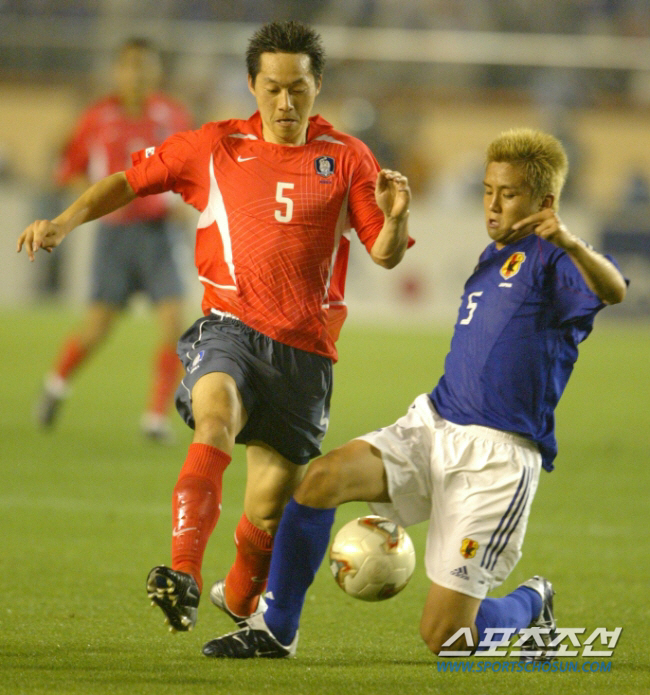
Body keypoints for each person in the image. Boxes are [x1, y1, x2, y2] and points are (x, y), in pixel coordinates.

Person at [17, 21, 412, 633]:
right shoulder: (216, 146)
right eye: (273, 88)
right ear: (253, 85)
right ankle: (183, 573)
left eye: (298, 89)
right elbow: (130, 180)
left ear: (317, 87)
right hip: (228, 328)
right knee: (215, 415)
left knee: (265, 510)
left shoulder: (348, 158)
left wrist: (393, 218)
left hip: (305, 352)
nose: (286, 102)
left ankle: (238, 593)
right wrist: (64, 223)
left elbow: (384, 252)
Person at [200, 127, 627, 659]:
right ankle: (275, 628)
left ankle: (529, 604)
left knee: (448, 637)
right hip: (434, 424)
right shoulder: (493, 255)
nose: (492, 205)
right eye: (488, 191)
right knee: (320, 479)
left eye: (509, 194)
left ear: (545, 202)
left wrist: (566, 240)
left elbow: (614, 290)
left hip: (495, 460)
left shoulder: (556, 259)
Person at [34, 37, 193, 441]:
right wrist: (94, 200)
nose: (137, 74)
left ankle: (155, 419)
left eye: (145, 66)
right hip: (115, 237)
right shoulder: (97, 118)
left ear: (157, 71)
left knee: (174, 323)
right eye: (131, 65)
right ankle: (56, 385)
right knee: (99, 325)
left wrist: (184, 203)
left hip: (159, 235)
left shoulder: (173, 116)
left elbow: (193, 169)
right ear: (118, 71)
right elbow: (68, 170)